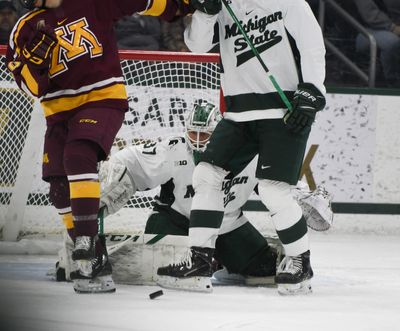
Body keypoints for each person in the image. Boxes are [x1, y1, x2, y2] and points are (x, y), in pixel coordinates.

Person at [6, 0, 191, 293]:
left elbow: (139, 1)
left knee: (78, 155)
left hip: (102, 98)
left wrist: (178, 7)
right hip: (58, 113)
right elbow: (29, 86)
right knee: (58, 188)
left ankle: (86, 241)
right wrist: (36, 59)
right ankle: (95, 260)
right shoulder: (25, 29)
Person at [157, 0, 327, 295]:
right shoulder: (221, 5)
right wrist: (207, 14)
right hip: (237, 113)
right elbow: (197, 46)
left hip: (282, 111)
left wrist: (312, 89)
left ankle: (300, 261)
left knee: (274, 189)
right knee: (206, 175)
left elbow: (312, 45)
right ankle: (199, 260)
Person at [86, 103, 332, 289]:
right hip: (176, 219)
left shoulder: (249, 155)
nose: (198, 140)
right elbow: (132, 161)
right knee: (152, 263)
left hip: (229, 224)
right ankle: (88, 254)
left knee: (265, 270)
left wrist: (302, 197)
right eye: (193, 133)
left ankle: (219, 259)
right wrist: (114, 170)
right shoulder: (174, 149)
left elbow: (278, 186)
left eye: (205, 135)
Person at [353, 0, 400, 88]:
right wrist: (392, 27)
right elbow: (369, 14)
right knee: (391, 42)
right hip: (364, 29)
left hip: (393, 26)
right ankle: (392, 81)